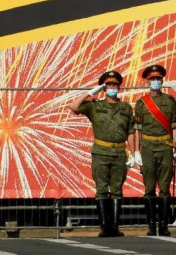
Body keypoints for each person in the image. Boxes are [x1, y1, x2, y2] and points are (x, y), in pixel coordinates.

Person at [69, 71, 135, 237]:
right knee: (101, 190)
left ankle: (114, 226)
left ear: (119, 87)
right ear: (104, 88)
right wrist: (90, 93)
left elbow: (131, 132)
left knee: (117, 190)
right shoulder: (95, 106)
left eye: (115, 85)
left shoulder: (125, 108)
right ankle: (104, 226)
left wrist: (135, 154)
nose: (112, 88)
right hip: (100, 152)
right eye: (109, 85)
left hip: (119, 152)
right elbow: (73, 107)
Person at [134, 64, 176, 236]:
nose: (155, 82)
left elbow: (174, 125)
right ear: (148, 82)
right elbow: (138, 128)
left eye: (158, 79)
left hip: (166, 146)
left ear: (162, 81)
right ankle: (151, 225)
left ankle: (164, 225)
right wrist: (137, 151)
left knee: (165, 188)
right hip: (147, 147)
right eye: (152, 79)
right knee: (149, 188)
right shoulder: (141, 103)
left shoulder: (170, 101)